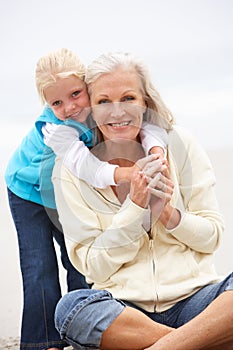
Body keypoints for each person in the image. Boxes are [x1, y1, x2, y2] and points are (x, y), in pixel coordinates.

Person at [52, 51, 233, 350]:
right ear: (91, 111)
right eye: (103, 101)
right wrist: (135, 209)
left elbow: (211, 237)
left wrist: (168, 215)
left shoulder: (180, 144)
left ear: (145, 102)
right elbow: (93, 268)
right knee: (72, 309)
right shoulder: (70, 172)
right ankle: (205, 340)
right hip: (124, 311)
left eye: (128, 98)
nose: (117, 112)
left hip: (196, 301)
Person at [4, 48, 167, 350]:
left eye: (76, 94)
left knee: (79, 258)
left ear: (88, 88)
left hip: (64, 197)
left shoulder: (101, 106)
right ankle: (43, 342)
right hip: (28, 193)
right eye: (56, 102)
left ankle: (82, 331)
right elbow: (86, 167)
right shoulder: (55, 129)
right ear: (46, 104)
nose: (69, 107)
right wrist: (128, 176)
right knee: (39, 266)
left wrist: (156, 151)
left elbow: (148, 126)